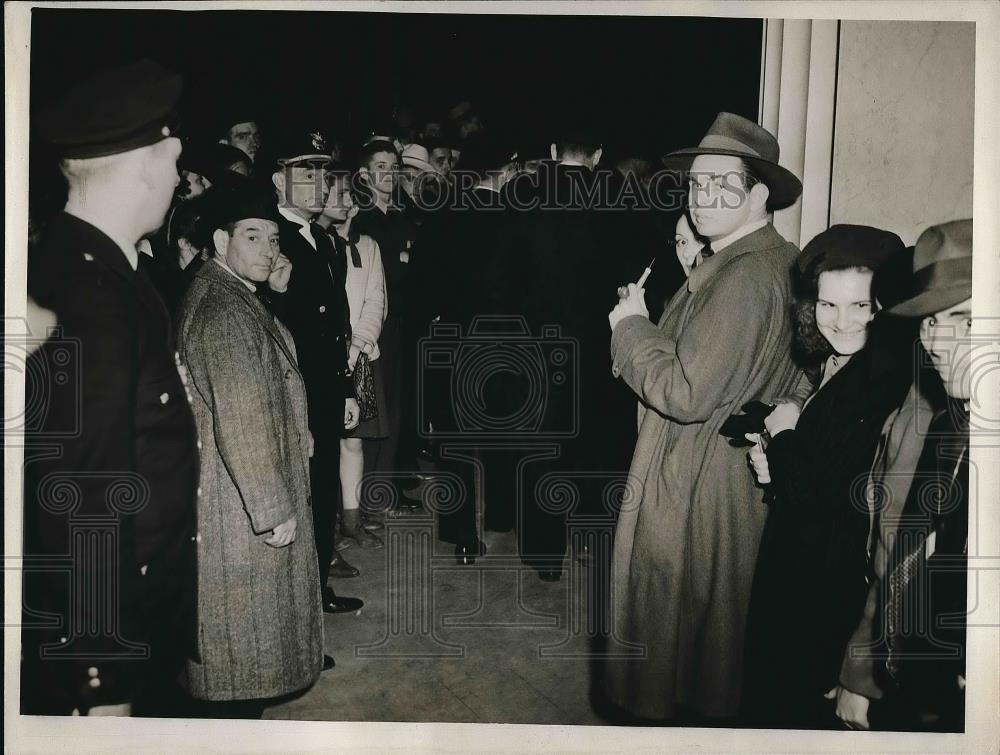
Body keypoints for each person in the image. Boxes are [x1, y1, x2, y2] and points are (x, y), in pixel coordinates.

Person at [603, 112, 804, 721]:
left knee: (676, 636)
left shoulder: (743, 277)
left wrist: (630, 326)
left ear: (761, 193)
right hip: (721, 475)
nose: (703, 198)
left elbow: (686, 393)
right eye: (695, 184)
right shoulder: (769, 262)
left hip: (691, 482)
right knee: (709, 638)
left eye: (723, 184)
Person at [22, 59, 198, 717]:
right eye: (174, 162)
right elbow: (82, 498)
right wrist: (101, 675)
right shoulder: (91, 294)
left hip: (144, 609)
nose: (180, 181)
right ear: (149, 165)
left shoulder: (110, 273)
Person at [740, 225, 912, 729]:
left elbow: (824, 501)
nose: (842, 321)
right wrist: (778, 456)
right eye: (828, 304)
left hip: (822, 591)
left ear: (884, 308)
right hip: (805, 571)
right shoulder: (843, 363)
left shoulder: (879, 384)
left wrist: (786, 438)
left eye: (861, 306)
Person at [176, 182, 329, 718]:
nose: (269, 248)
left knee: (242, 650)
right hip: (240, 506)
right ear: (220, 240)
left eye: (273, 237)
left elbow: (269, 373)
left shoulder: (230, 293)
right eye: (252, 235)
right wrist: (272, 508)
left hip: (234, 493)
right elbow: (240, 419)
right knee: (240, 654)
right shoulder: (224, 312)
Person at [833, 219, 973, 732]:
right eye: (929, 321)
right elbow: (906, 557)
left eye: (965, 319)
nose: (937, 340)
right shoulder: (951, 424)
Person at [264, 133, 364, 616]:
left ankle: (317, 586)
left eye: (323, 173)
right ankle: (296, 599)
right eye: (305, 172)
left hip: (325, 389)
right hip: (291, 392)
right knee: (296, 493)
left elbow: (337, 324)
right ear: (277, 180)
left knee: (322, 490)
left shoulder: (324, 239)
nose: (319, 183)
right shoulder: (268, 238)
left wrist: (346, 387)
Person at [314, 170, 388, 553]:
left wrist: (358, 344)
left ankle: (352, 520)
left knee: (353, 443)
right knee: (325, 445)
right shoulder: (318, 243)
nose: (343, 200)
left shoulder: (369, 246)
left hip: (358, 354)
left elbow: (376, 300)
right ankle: (326, 528)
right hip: (327, 355)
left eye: (346, 194)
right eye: (335, 193)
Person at [353, 139, 419, 505]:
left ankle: (385, 487)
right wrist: (404, 262)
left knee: (394, 405)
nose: (389, 173)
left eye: (393, 166)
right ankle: (368, 494)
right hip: (374, 326)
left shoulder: (398, 216)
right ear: (364, 174)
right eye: (380, 166)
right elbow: (390, 274)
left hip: (398, 324)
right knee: (372, 408)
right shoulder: (362, 220)